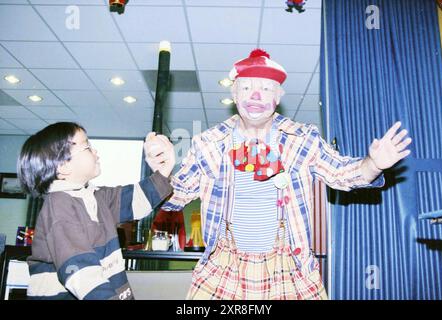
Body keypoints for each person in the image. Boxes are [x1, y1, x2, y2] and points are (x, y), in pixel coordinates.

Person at [161, 49, 412, 300]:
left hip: (291, 268)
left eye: (266, 89)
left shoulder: (303, 139)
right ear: (234, 94)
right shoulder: (208, 143)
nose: (256, 96)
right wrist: (161, 173)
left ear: (278, 96)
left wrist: (373, 164)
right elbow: (176, 198)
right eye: (246, 88)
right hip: (222, 269)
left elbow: (342, 174)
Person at [17, 122, 175, 300]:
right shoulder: (59, 206)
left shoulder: (95, 197)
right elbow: (82, 275)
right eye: (87, 146)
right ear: (63, 166)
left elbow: (137, 199)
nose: (95, 152)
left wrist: (164, 168)